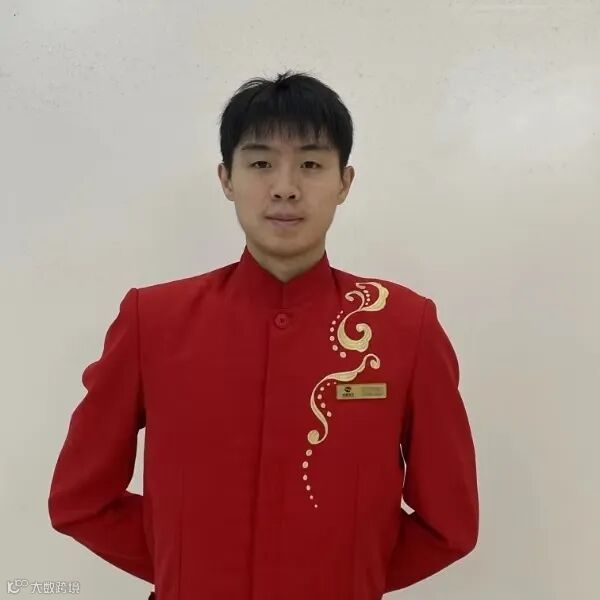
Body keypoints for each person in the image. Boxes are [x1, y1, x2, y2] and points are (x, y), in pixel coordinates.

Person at [48, 69, 479, 600]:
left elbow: (449, 525)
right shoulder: (153, 321)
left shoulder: (403, 325)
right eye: (260, 163)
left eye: (311, 165)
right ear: (226, 179)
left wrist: (343, 575)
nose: (285, 187)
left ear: (344, 183)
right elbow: (79, 501)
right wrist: (186, 566)